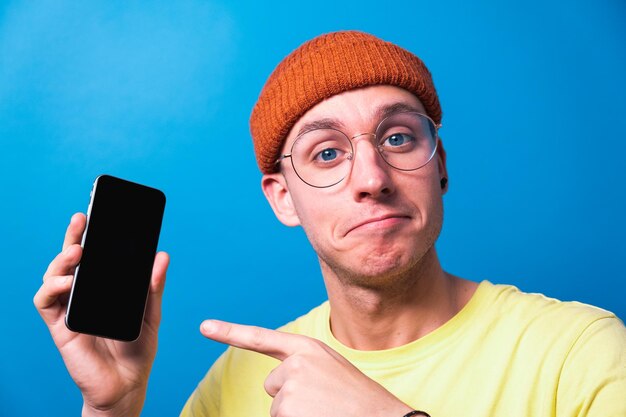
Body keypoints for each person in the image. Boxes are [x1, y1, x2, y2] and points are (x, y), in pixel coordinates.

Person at [35, 30, 626, 417]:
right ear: (283, 199)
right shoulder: (238, 381)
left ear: (439, 166)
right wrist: (112, 409)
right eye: (327, 153)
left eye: (397, 137)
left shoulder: (583, 354)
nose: (373, 177)